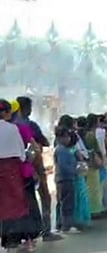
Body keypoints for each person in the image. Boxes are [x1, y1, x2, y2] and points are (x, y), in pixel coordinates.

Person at [14, 97, 43, 251]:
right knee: (30, 203)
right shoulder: (26, 126)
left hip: (8, 176)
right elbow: (37, 146)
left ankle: (15, 240)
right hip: (25, 172)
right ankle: (33, 236)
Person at [0, 99, 29, 252]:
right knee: (13, 205)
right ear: (5, 113)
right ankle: (11, 240)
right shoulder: (12, 129)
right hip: (11, 171)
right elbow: (22, 154)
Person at [54, 127, 80, 233]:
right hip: (66, 178)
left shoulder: (62, 149)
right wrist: (75, 170)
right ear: (60, 138)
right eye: (66, 136)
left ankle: (60, 224)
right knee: (67, 202)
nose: (68, 139)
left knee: (62, 202)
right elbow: (64, 166)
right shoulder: (62, 150)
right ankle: (67, 226)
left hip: (62, 178)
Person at [84, 114, 104, 218]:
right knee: (94, 188)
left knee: (92, 187)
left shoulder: (88, 134)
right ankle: (94, 210)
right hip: (93, 163)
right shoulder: (91, 135)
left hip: (90, 163)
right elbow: (93, 150)